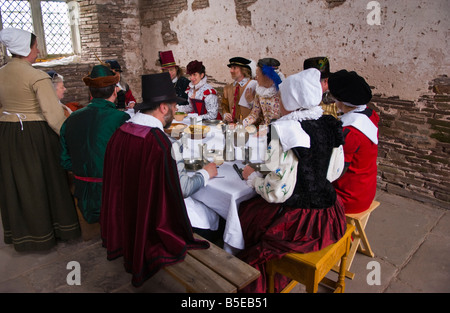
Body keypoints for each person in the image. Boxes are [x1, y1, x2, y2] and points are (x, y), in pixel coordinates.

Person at [237, 68, 346, 293]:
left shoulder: (286, 131)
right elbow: (334, 172)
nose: (277, 103)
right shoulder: (329, 123)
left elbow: (276, 192)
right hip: (330, 214)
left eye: (280, 98)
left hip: (299, 223)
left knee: (245, 215)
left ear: (292, 100)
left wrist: (253, 178)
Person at [100, 72, 211, 287]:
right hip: (149, 223)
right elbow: (178, 190)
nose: (176, 110)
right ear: (163, 108)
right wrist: (206, 173)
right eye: (174, 106)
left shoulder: (122, 130)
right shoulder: (157, 143)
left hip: (127, 213)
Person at [0, 28, 80, 251]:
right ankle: (52, 231)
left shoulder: (1, 73)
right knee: (43, 181)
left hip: (7, 134)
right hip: (34, 135)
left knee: (19, 184)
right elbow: (53, 116)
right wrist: (69, 139)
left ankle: (23, 233)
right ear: (26, 49)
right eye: (35, 47)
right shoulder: (37, 76)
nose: (38, 51)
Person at [60, 64, 130, 226]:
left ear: (91, 93)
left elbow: (65, 160)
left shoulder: (71, 119)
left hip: (83, 193)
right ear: (114, 91)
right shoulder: (120, 119)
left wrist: (85, 171)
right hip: (113, 195)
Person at [328, 69, 379, 214]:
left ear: (339, 101)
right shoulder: (369, 115)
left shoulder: (350, 133)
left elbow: (335, 171)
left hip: (349, 198)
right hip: (365, 189)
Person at [243, 58, 285, 127]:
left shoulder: (282, 91)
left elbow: (287, 117)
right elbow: (254, 114)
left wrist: (271, 131)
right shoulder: (259, 91)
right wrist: (242, 124)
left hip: (279, 130)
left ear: (267, 76)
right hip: (265, 130)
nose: (256, 78)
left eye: (258, 74)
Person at [221, 57, 257, 123]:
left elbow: (260, 110)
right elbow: (224, 105)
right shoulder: (227, 88)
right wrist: (225, 114)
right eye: (231, 68)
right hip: (231, 127)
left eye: (234, 68)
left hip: (249, 128)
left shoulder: (254, 86)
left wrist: (252, 101)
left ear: (243, 70)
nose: (231, 71)